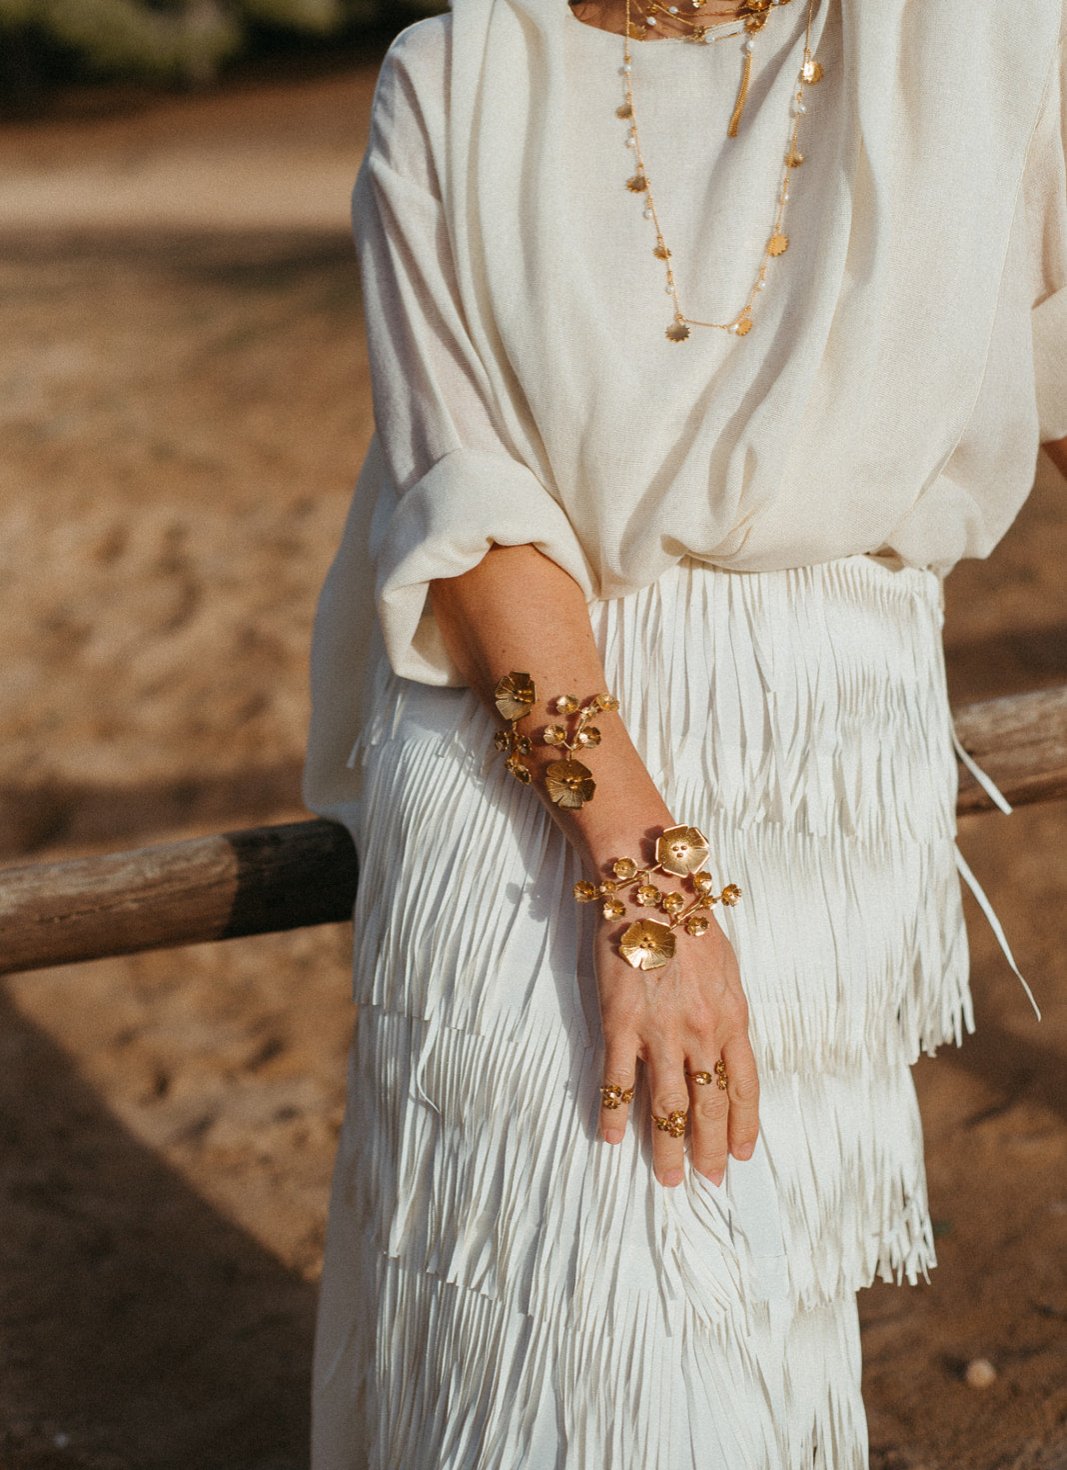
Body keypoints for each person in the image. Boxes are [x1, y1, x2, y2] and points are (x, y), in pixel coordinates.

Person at [301, 0, 1067, 1463]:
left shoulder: (980, 37)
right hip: (533, 746)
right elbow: (468, 517)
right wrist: (644, 883)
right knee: (566, 1314)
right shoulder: (456, 78)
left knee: (747, 1318)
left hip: (826, 748)